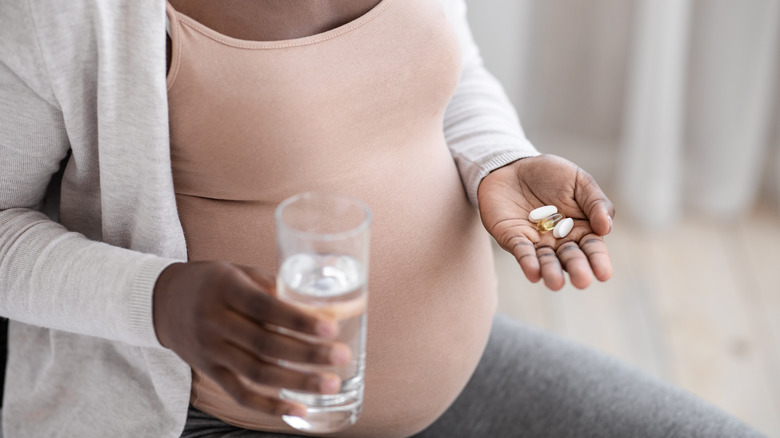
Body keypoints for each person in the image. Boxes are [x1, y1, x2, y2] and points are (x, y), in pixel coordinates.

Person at [0, 1, 765, 437]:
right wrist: (160, 300)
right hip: (206, 418)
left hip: (463, 384)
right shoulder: (67, 15)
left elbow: (448, 64)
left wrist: (496, 159)